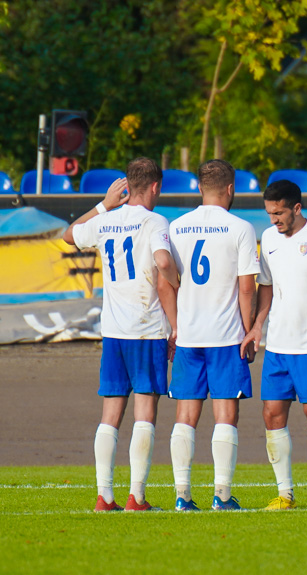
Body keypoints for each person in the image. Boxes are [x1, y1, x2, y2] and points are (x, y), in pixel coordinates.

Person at [63, 157, 179, 512]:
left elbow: (68, 236)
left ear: (128, 185)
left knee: (110, 413)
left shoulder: (107, 221)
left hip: (113, 332)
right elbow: (161, 261)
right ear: (156, 186)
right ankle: (136, 497)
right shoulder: (155, 220)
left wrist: (103, 205)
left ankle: (104, 495)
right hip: (146, 330)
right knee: (146, 410)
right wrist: (177, 282)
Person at [167, 159, 260, 511]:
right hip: (226, 336)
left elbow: (167, 278)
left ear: (199, 188)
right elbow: (247, 287)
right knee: (225, 414)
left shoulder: (177, 226)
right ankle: (222, 495)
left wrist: (175, 326)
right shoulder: (240, 227)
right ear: (231, 188)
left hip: (189, 334)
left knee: (185, 415)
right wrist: (248, 329)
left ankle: (182, 494)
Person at [240, 180, 307, 511]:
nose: (273, 220)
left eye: (279, 213)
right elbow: (266, 288)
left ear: (297, 208)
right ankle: (285, 493)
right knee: (271, 413)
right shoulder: (267, 239)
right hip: (278, 345)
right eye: (269, 213)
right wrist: (256, 327)